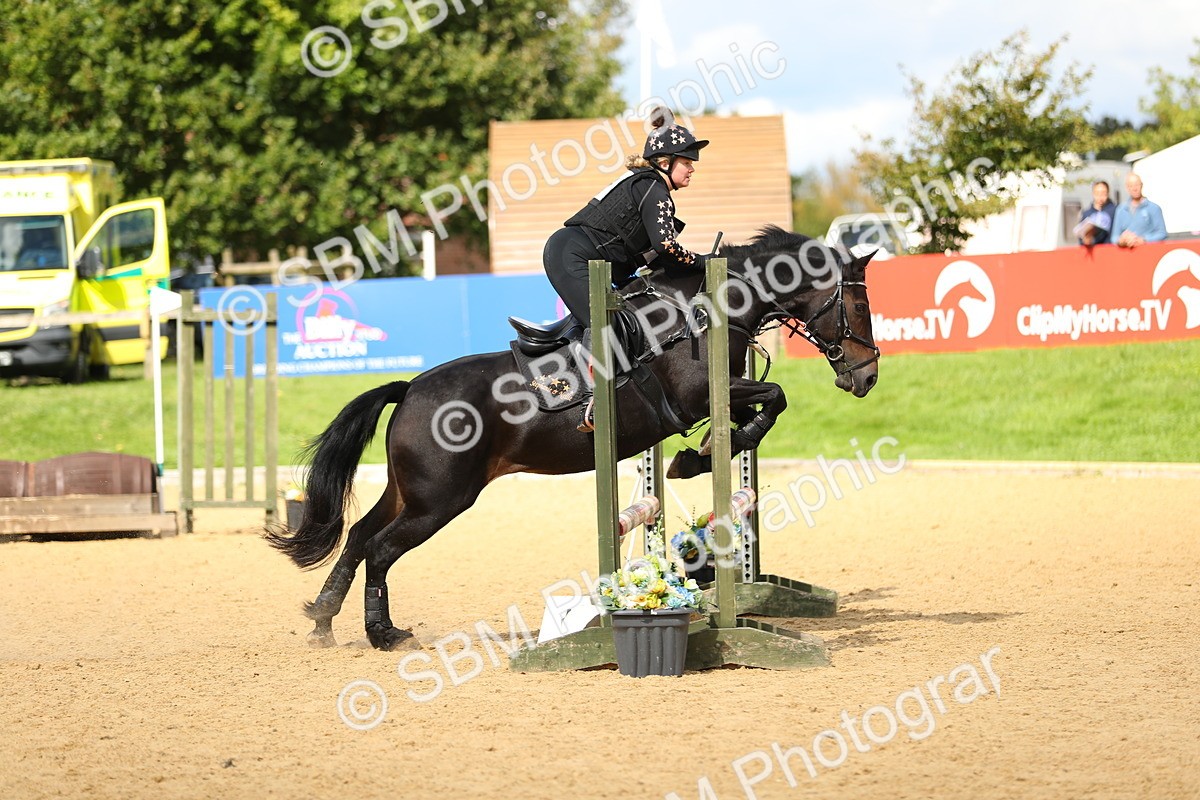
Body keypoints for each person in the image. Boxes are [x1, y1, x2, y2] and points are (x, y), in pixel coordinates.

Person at [543, 105, 709, 431]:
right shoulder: (654, 189)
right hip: (572, 257)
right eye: (687, 162)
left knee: (623, 322)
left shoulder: (649, 186)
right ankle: (592, 402)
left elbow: (657, 257)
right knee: (609, 324)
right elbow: (667, 247)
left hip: (577, 254)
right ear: (665, 163)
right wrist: (703, 261)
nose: (692, 169)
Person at [1110, 173, 1168, 248]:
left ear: (1142, 185)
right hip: (1127, 252)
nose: (1134, 188)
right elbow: (1114, 237)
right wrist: (1121, 240)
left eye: (1137, 185)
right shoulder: (1121, 209)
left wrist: (1144, 239)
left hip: (1147, 251)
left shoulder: (1154, 208)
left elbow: (1162, 233)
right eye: (1131, 186)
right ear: (1127, 188)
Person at [1075, 181, 1115, 246]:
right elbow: (1081, 238)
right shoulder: (1086, 214)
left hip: (1108, 249)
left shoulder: (1115, 211)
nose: (1100, 197)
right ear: (1093, 194)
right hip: (1092, 249)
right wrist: (1085, 240)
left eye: (1103, 193)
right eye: (1097, 193)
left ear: (1108, 193)